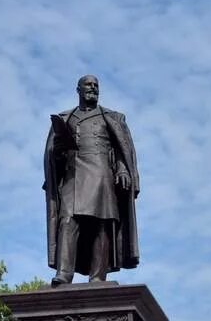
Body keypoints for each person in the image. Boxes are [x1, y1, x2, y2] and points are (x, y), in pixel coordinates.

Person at [44, 75, 140, 285]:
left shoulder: (111, 117)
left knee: (101, 224)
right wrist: (58, 152)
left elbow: (121, 149)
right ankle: (64, 274)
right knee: (67, 220)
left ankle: (97, 277)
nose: (93, 88)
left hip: (101, 174)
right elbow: (53, 157)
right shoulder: (66, 118)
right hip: (72, 176)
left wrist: (123, 169)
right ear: (78, 89)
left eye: (96, 85)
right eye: (88, 85)